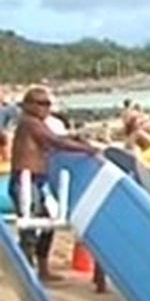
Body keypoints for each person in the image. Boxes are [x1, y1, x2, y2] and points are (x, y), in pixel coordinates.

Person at [9, 87, 98, 282]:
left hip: (35, 181)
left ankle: (41, 269)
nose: (46, 108)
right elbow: (55, 141)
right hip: (25, 182)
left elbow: (57, 139)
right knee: (29, 228)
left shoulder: (36, 124)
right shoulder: (29, 123)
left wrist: (74, 138)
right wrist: (88, 149)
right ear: (28, 105)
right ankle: (27, 272)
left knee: (47, 225)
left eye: (48, 104)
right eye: (41, 103)